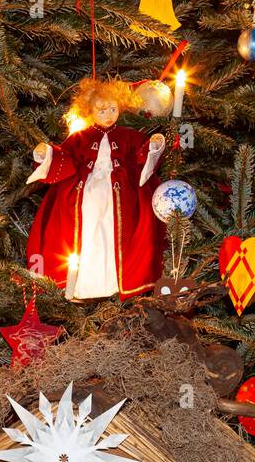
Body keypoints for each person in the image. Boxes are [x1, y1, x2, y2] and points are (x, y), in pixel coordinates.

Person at [25, 77, 166, 301]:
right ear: (90, 110)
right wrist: (45, 153)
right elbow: (64, 156)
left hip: (122, 193)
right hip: (85, 191)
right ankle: (83, 285)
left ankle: (114, 281)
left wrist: (155, 145)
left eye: (113, 109)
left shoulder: (128, 135)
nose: (109, 115)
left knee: (117, 231)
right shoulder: (80, 138)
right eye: (102, 110)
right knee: (86, 228)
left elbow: (143, 152)